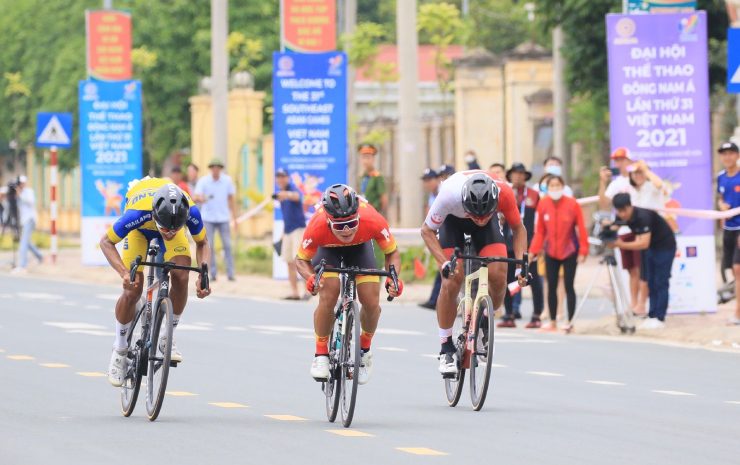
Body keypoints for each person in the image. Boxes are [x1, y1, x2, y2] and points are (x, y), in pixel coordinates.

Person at [99, 178, 212, 386]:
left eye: (174, 230)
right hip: (139, 232)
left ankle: (166, 336)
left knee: (181, 277)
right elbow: (106, 242)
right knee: (133, 290)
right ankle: (120, 349)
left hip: (166, 221)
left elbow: (202, 243)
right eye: (166, 229)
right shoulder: (137, 214)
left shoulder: (190, 212)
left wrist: (204, 276)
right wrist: (124, 273)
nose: (169, 234)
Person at [421, 170, 528, 375]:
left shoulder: (504, 192)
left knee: (498, 274)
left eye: (484, 215)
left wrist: (522, 267)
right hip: (453, 222)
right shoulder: (449, 195)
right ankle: (446, 347)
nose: (479, 219)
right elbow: (426, 231)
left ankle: (486, 319)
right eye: (475, 215)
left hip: (488, 228)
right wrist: (444, 264)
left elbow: (518, 228)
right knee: (452, 279)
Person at [295, 184, 402, 385]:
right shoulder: (316, 225)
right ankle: (321, 354)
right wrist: (310, 278)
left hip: (360, 248)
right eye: (339, 226)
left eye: (351, 223)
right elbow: (301, 260)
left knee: (371, 301)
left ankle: (364, 351)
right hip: (328, 250)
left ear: (359, 217)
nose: (346, 231)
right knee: (329, 294)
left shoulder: (372, 219)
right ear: (328, 221)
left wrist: (392, 279)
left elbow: (392, 252)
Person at [529, 176, 589, 331]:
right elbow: (540, 231)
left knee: (569, 286)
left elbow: (581, 229)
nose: (555, 188)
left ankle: (570, 321)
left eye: (558, 185)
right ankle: (553, 321)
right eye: (552, 186)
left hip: (569, 251)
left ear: (563, 186)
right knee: (551, 286)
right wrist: (532, 252)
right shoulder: (543, 203)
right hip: (550, 252)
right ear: (547, 188)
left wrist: (583, 250)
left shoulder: (572, 204)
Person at [609, 193, 676, 329]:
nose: (622, 214)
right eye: (619, 211)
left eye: (624, 210)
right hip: (651, 249)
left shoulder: (642, 216)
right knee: (650, 282)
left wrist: (620, 245)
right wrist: (607, 230)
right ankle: (651, 315)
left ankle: (660, 317)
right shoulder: (621, 217)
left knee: (660, 282)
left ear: (630, 206)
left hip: (664, 247)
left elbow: (643, 243)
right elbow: (612, 229)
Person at [498, 163, 544, 328]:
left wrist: (536, 247)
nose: (518, 176)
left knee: (533, 280)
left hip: (528, 245)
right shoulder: (504, 193)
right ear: (509, 175)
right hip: (507, 244)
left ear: (526, 176)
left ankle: (537, 314)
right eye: (514, 173)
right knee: (507, 280)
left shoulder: (533, 195)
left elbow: (539, 221)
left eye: (521, 173)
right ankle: (509, 314)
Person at [599, 147, 642, 315]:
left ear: (630, 161)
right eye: (616, 161)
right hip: (622, 230)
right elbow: (603, 204)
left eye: (623, 160)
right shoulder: (615, 184)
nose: (619, 164)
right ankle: (632, 304)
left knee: (639, 268)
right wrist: (602, 181)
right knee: (631, 269)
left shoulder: (636, 179)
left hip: (638, 228)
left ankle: (638, 303)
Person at [629, 159, 664, 316]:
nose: (639, 175)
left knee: (655, 273)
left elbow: (659, 184)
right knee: (644, 272)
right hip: (642, 236)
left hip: (657, 236)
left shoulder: (651, 187)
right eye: (636, 172)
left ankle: (650, 307)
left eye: (641, 172)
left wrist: (646, 169)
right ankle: (641, 305)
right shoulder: (634, 192)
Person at [193, 158, 237, 281]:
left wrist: (235, 217)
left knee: (227, 245)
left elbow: (231, 199)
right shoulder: (204, 181)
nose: (215, 169)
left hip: (223, 217)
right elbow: (196, 197)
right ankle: (212, 273)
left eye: (218, 167)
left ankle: (230, 273)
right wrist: (201, 199)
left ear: (221, 168)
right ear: (211, 168)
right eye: (213, 167)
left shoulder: (227, 181)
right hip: (208, 217)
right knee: (209, 246)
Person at [275, 168, 308, 300]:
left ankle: (307, 290)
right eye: (278, 177)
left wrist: (287, 194)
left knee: (301, 261)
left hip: (298, 230)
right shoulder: (281, 194)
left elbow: (297, 196)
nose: (281, 179)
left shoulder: (291, 189)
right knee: (289, 262)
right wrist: (283, 234)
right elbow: (287, 216)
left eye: (283, 176)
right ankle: (295, 292)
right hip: (288, 230)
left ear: (287, 178)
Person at [716, 141, 740, 325]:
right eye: (724, 154)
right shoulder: (721, 177)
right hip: (729, 228)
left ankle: (737, 314)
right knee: (733, 270)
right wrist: (722, 206)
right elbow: (721, 198)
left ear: (737, 156)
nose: (727, 157)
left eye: (731, 153)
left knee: (738, 269)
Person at [419, 168, 443, 310]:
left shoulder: (442, 192)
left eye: (429, 180)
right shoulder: (432, 196)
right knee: (442, 266)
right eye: (424, 181)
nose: (426, 184)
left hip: (449, 232)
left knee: (444, 266)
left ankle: (436, 299)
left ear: (437, 180)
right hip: (436, 233)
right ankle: (435, 299)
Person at [12, 175, 44, 273]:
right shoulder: (15, 193)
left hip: (30, 219)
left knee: (23, 244)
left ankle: (23, 266)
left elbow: (31, 202)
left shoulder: (28, 192)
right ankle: (40, 256)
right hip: (23, 221)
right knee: (26, 242)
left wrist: (20, 194)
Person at [358, 144, 387, 214]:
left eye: (368, 158)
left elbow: (383, 197)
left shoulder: (377, 176)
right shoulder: (362, 176)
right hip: (364, 211)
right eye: (363, 157)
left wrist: (382, 213)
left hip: (375, 211)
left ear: (373, 160)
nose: (366, 161)